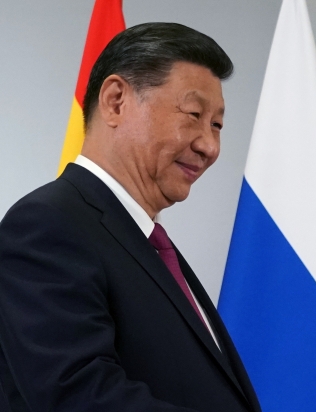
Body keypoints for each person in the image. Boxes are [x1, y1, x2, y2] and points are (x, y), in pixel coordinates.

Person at [0, 22, 261, 412]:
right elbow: (81, 397)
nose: (210, 146)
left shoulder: (147, 243)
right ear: (116, 100)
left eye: (217, 125)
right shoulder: (45, 226)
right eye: (193, 113)